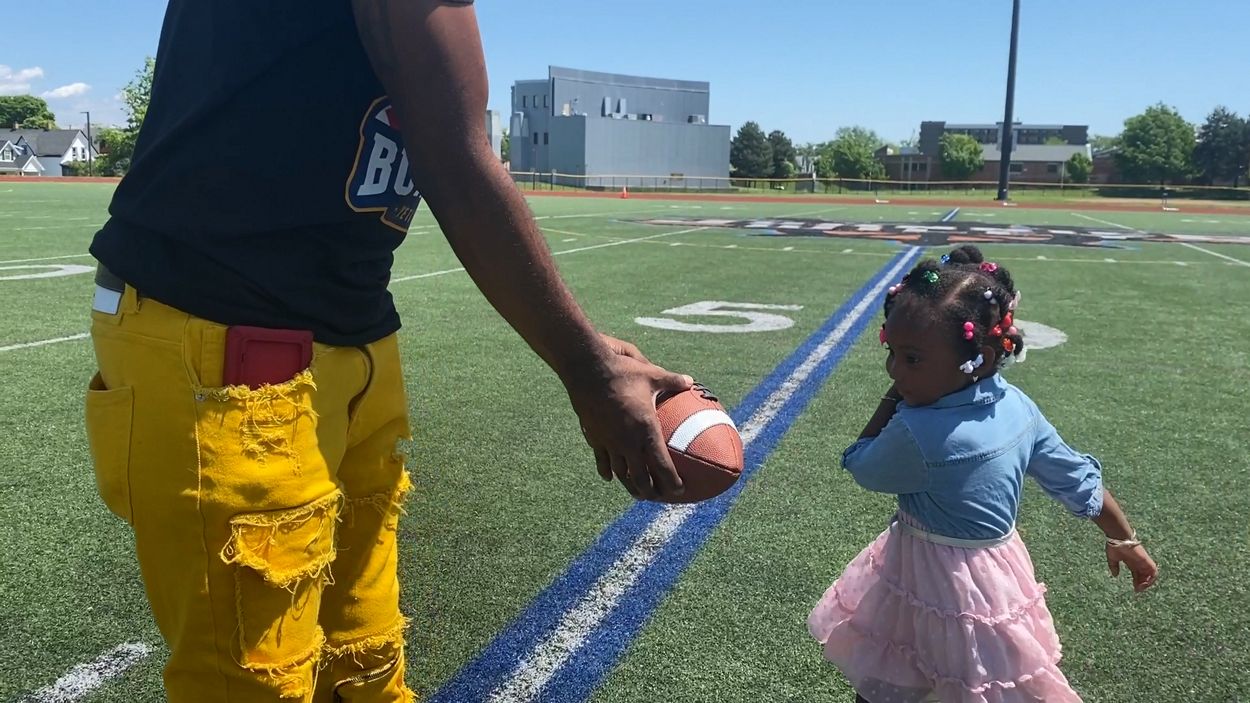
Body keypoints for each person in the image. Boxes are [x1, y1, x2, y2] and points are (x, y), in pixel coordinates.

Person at [83, 1, 690, 700]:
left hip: (350, 330)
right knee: (254, 684)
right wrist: (589, 367)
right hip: (219, 327)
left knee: (364, 665)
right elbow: (453, 154)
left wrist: (588, 355)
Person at [807, 246, 1158, 702]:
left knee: (899, 672)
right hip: (996, 575)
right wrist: (1124, 539)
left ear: (984, 358)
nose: (895, 370)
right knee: (983, 681)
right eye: (892, 353)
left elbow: (862, 464)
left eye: (912, 359)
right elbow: (1076, 479)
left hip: (925, 573)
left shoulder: (916, 430)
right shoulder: (1018, 406)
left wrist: (892, 400)